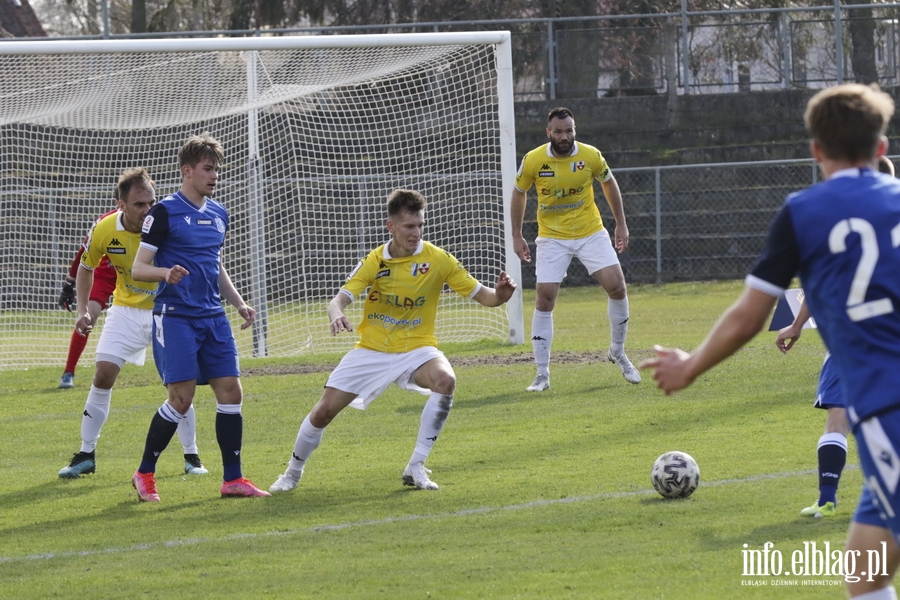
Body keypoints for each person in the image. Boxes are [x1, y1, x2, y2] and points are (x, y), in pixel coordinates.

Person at [642, 84, 900, 600]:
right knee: (866, 571)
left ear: (816, 151)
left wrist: (690, 366)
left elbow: (746, 317)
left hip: (886, 404)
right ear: (881, 150)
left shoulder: (803, 213)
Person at [269, 189, 517, 494]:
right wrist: (336, 314)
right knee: (323, 412)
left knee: (445, 380)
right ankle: (292, 474)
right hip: (372, 349)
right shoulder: (375, 260)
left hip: (416, 348)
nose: (417, 233)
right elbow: (339, 299)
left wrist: (501, 295)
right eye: (409, 227)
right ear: (392, 227)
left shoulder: (438, 259)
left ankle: (416, 466)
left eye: (420, 226)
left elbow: (487, 297)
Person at [130, 132, 269, 502]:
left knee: (231, 391)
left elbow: (215, 266)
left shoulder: (220, 213)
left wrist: (239, 303)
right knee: (182, 399)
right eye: (208, 169)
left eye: (217, 169)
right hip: (175, 317)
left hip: (213, 316)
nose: (215, 175)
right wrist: (166, 273)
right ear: (187, 171)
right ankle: (144, 473)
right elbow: (139, 268)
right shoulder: (164, 212)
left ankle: (233, 479)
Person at [57, 168, 208, 479]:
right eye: (139, 204)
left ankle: (192, 456)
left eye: (151, 202)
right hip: (125, 310)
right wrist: (83, 310)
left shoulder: (166, 222)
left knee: (177, 386)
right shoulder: (104, 229)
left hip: (167, 310)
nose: (147, 210)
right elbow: (86, 267)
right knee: (103, 373)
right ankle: (86, 454)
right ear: (120, 205)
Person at [773, 157, 895, 518]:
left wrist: (795, 325)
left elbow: (819, 282)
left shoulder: (843, 224)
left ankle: (827, 498)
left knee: (838, 418)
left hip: (852, 342)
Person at [510, 107, 639, 392]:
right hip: (552, 237)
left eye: (569, 130)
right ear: (549, 133)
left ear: (574, 130)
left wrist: (621, 224)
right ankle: (542, 374)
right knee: (545, 298)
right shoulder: (533, 160)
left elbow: (608, 183)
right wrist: (517, 235)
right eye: (558, 131)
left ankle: (618, 351)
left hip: (590, 231)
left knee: (617, 286)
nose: (564, 136)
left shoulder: (590, 155)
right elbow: (519, 192)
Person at [57, 209, 117, 389]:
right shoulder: (105, 222)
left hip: (137, 276)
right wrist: (70, 283)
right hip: (105, 276)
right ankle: (68, 372)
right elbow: (84, 251)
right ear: (120, 202)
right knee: (89, 316)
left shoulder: (150, 219)